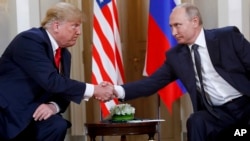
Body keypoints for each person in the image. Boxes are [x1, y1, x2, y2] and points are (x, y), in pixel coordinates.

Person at [111, 2, 250, 141]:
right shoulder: (176, 56)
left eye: (178, 25)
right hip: (218, 114)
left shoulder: (227, 37)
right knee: (196, 120)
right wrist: (116, 90)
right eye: (171, 27)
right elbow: (151, 83)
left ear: (194, 21)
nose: (173, 32)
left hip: (245, 105)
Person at [0, 2, 114, 141]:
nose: (79, 32)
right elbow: (52, 81)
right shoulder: (30, 40)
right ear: (56, 26)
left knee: (57, 125)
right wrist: (94, 89)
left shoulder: (64, 54)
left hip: (34, 112)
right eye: (75, 26)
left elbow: (63, 89)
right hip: (9, 112)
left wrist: (53, 106)